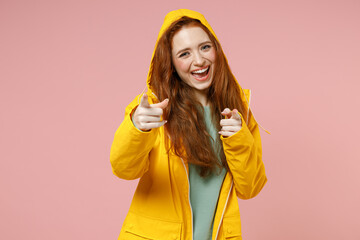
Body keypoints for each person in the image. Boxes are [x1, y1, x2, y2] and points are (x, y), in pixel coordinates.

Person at [110, 9, 267, 240]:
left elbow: (250, 188)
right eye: (184, 54)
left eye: (205, 47)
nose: (199, 60)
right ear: (171, 63)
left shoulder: (237, 110)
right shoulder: (153, 108)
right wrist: (137, 128)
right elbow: (123, 169)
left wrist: (239, 139)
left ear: (217, 49)